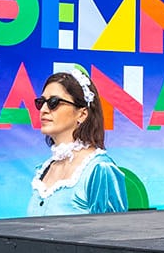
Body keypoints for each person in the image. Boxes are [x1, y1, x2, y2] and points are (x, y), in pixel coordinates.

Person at [27, 68, 129, 216]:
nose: (43, 109)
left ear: (82, 114)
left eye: (54, 102)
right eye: (41, 102)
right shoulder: (43, 170)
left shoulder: (99, 168)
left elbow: (113, 228)